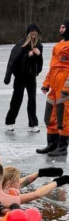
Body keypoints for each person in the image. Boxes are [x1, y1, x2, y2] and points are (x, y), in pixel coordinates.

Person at [38, 18, 69, 157]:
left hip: (64, 87)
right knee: (50, 116)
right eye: (60, 27)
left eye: (63, 27)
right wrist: (46, 83)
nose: (60, 30)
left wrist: (67, 88)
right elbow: (52, 67)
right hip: (54, 87)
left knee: (64, 118)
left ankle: (62, 148)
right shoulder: (58, 46)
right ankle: (52, 144)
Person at [4, 24, 44, 132]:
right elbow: (13, 60)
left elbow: (40, 64)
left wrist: (38, 55)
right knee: (16, 100)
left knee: (32, 100)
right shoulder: (21, 44)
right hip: (20, 77)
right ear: (28, 33)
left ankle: (33, 124)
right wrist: (28, 55)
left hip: (31, 78)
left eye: (35, 32)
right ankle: (10, 122)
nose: (34, 33)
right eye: (32, 32)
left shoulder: (39, 46)